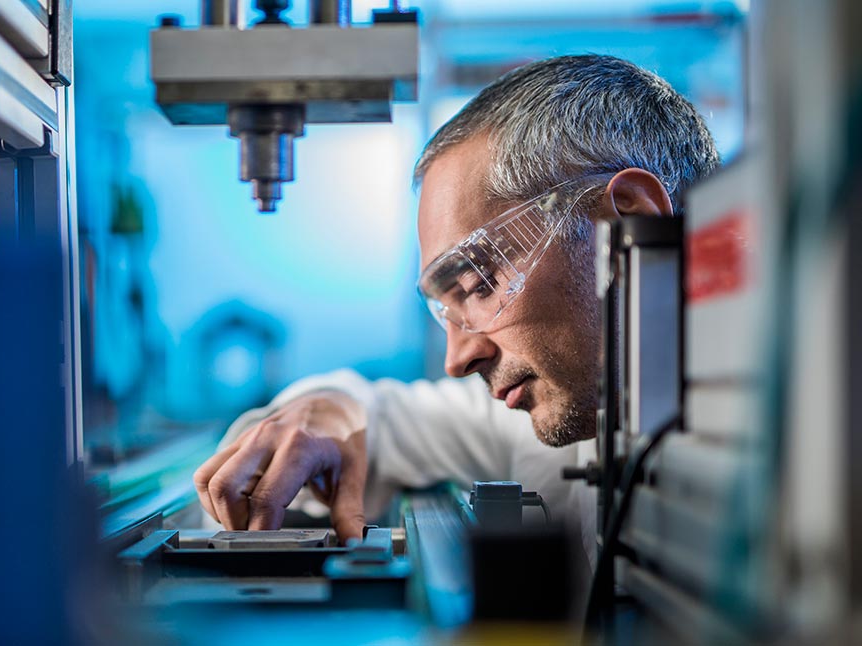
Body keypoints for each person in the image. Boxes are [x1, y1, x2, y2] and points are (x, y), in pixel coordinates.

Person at [192, 54, 720, 564]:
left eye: (478, 282)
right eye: (446, 309)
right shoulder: (566, 412)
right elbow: (384, 419)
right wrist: (327, 410)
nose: (457, 359)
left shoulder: (792, 450)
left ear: (629, 221)